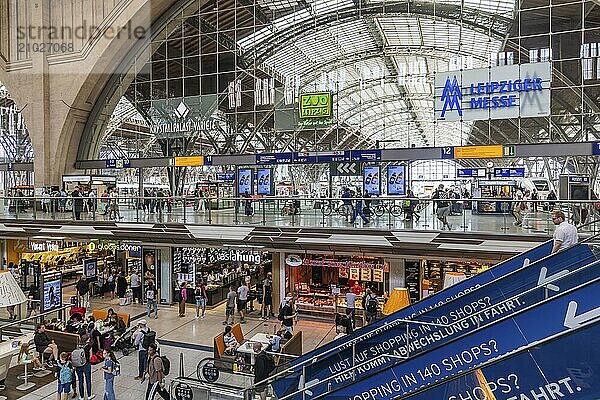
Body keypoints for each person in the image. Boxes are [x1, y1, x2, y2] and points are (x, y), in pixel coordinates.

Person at [72, 334, 95, 400]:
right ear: (88, 339)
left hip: (78, 365)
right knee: (88, 380)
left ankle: (81, 396)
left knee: (80, 381)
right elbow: (91, 357)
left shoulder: (77, 346)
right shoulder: (89, 346)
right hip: (86, 365)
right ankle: (89, 395)